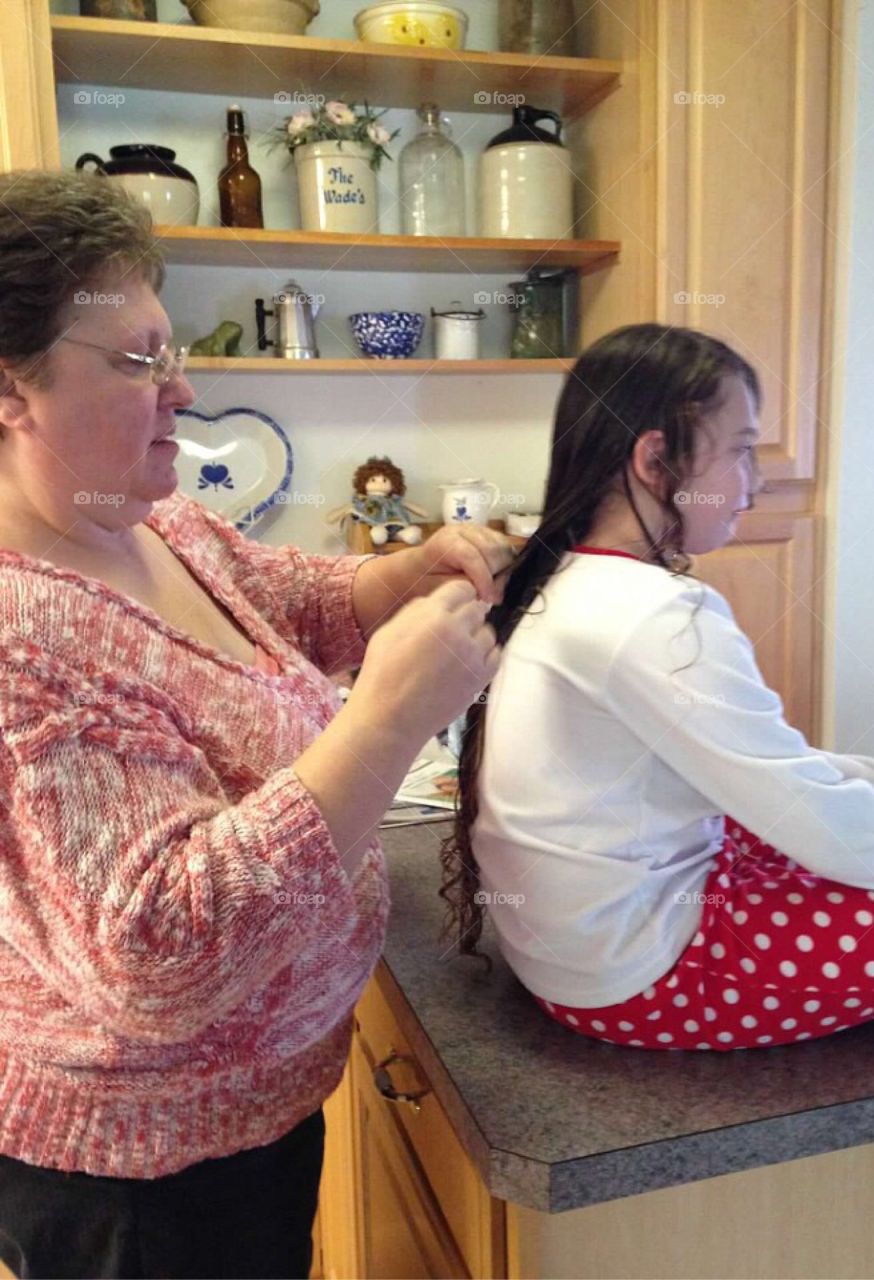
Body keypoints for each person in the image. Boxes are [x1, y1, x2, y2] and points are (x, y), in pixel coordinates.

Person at [0, 170, 507, 1279]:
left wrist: (398, 574)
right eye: (138, 360)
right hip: (141, 1190)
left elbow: (274, 599)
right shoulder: (20, 634)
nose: (181, 388)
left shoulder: (143, 515)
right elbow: (158, 952)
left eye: (170, 349)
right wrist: (386, 719)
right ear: (10, 389)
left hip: (245, 1127)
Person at [440, 322, 874, 1053]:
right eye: (742, 450)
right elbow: (818, 824)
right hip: (640, 978)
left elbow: (760, 772)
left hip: (572, 954)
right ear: (656, 459)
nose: (758, 481)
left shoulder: (569, 581)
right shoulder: (654, 614)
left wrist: (866, 781)